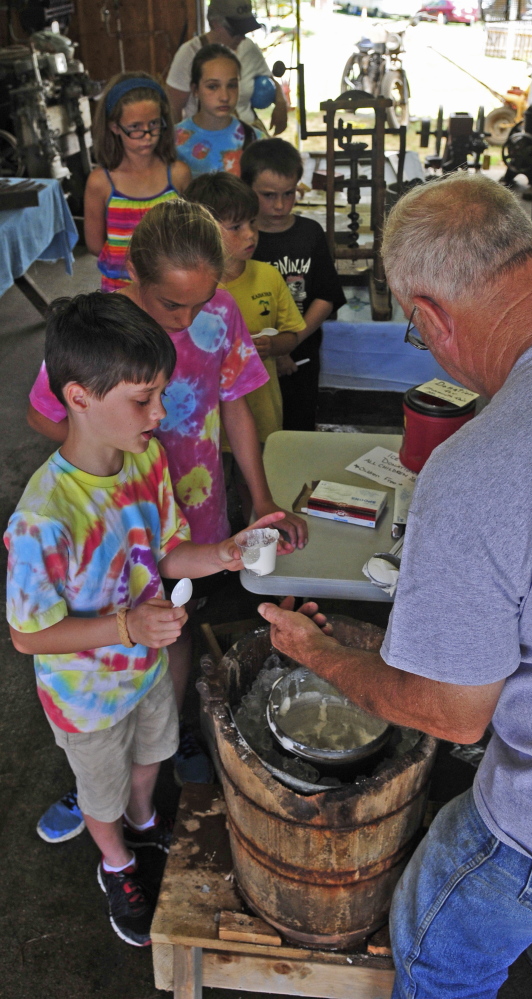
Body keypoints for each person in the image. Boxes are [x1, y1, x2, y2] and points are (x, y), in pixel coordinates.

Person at [257, 173, 532, 997]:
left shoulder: (482, 468)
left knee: (436, 933)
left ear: (428, 317)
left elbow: (448, 710)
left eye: (422, 341)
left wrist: (319, 653)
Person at [5, 292, 288, 947]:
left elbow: (166, 550)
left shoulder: (145, 460)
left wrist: (221, 552)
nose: (160, 414)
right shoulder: (44, 517)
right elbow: (28, 634)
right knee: (99, 793)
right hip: (87, 696)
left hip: (146, 667)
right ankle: (117, 859)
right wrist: (128, 627)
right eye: (143, 399)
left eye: (161, 394)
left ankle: (144, 819)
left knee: (152, 758)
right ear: (78, 397)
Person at [27, 199, 307, 843]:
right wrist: (92, 463)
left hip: (190, 511)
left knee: (174, 624)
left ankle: (163, 737)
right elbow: (46, 412)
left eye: (199, 304)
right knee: (100, 634)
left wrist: (259, 501)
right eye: (170, 307)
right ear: (132, 280)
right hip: (111, 520)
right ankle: (97, 774)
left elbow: (237, 405)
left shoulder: (222, 313)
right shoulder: (100, 327)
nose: (186, 320)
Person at [186, 172, 306, 458]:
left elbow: (291, 334)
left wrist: (273, 347)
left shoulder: (269, 276)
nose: (250, 234)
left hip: (261, 411)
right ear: (202, 229)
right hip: (204, 419)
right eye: (236, 226)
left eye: (253, 222)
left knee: (254, 483)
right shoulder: (188, 288)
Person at [241, 138, 346, 431]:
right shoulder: (242, 240)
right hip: (252, 357)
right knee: (258, 428)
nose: (279, 204)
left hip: (303, 353)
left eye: (288, 194)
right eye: (268, 195)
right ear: (247, 189)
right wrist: (275, 351)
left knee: (300, 425)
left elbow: (325, 296)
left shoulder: (310, 233)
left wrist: (290, 344)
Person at [84, 71, 191, 292]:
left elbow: (191, 236)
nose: (147, 135)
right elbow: (95, 245)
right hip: (119, 296)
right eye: (134, 127)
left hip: (171, 292)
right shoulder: (100, 183)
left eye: (153, 124)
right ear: (114, 127)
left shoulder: (179, 175)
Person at [165, 0, 287, 134]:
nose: (242, 37)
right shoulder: (189, 53)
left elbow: (269, 78)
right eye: (237, 31)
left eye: (244, 31)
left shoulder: (248, 47)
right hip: (205, 138)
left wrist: (281, 102)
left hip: (246, 133)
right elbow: (173, 108)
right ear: (215, 24)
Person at [175, 44, 261, 178]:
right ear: (195, 89)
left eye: (232, 85)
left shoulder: (256, 141)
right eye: (213, 87)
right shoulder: (173, 141)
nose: (225, 97)